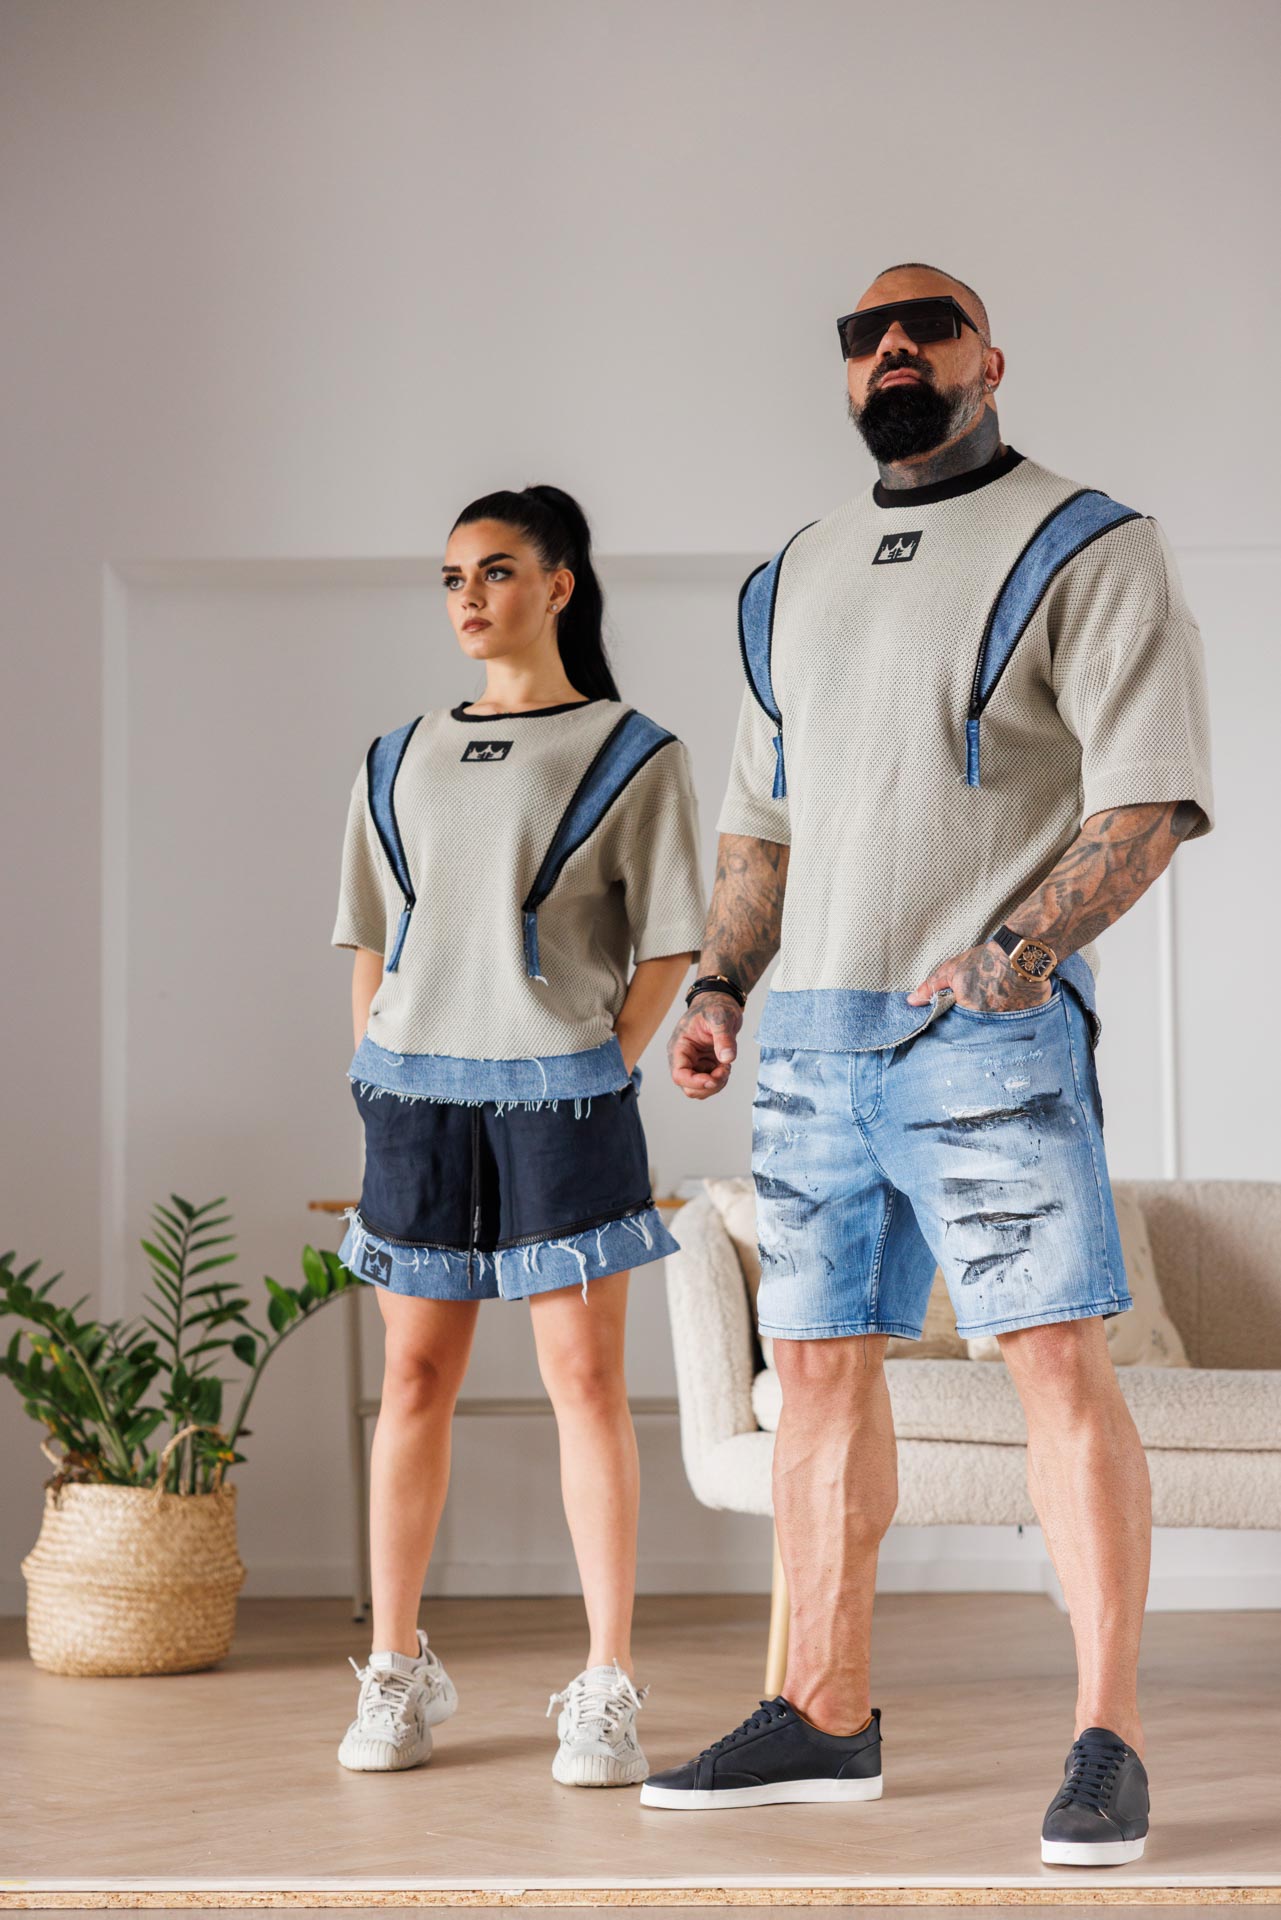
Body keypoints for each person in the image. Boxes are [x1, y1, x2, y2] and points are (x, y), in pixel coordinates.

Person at [647, 264, 1215, 1865]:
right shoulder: (788, 577)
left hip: (984, 1035)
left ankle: (1106, 1739)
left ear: (988, 359)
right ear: (846, 375)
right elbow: (759, 826)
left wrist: (1015, 956)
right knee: (816, 1373)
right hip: (810, 1044)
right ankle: (820, 1713)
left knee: (1050, 1364)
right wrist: (717, 983)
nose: (891, 346)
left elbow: (1146, 798)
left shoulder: (1086, 544)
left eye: (927, 325)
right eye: (863, 335)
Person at [330, 483, 705, 1786]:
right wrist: (370, 1062)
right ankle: (395, 1667)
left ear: (558, 584)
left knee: (583, 1383)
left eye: (494, 571)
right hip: (413, 1101)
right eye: (452, 577)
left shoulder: (633, 752)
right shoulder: (395, 755)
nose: (469, 598)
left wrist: (603, 1060)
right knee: (414, 1381)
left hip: (564, 1102)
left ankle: (605, 1682)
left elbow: (672, 939)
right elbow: (370, 933)